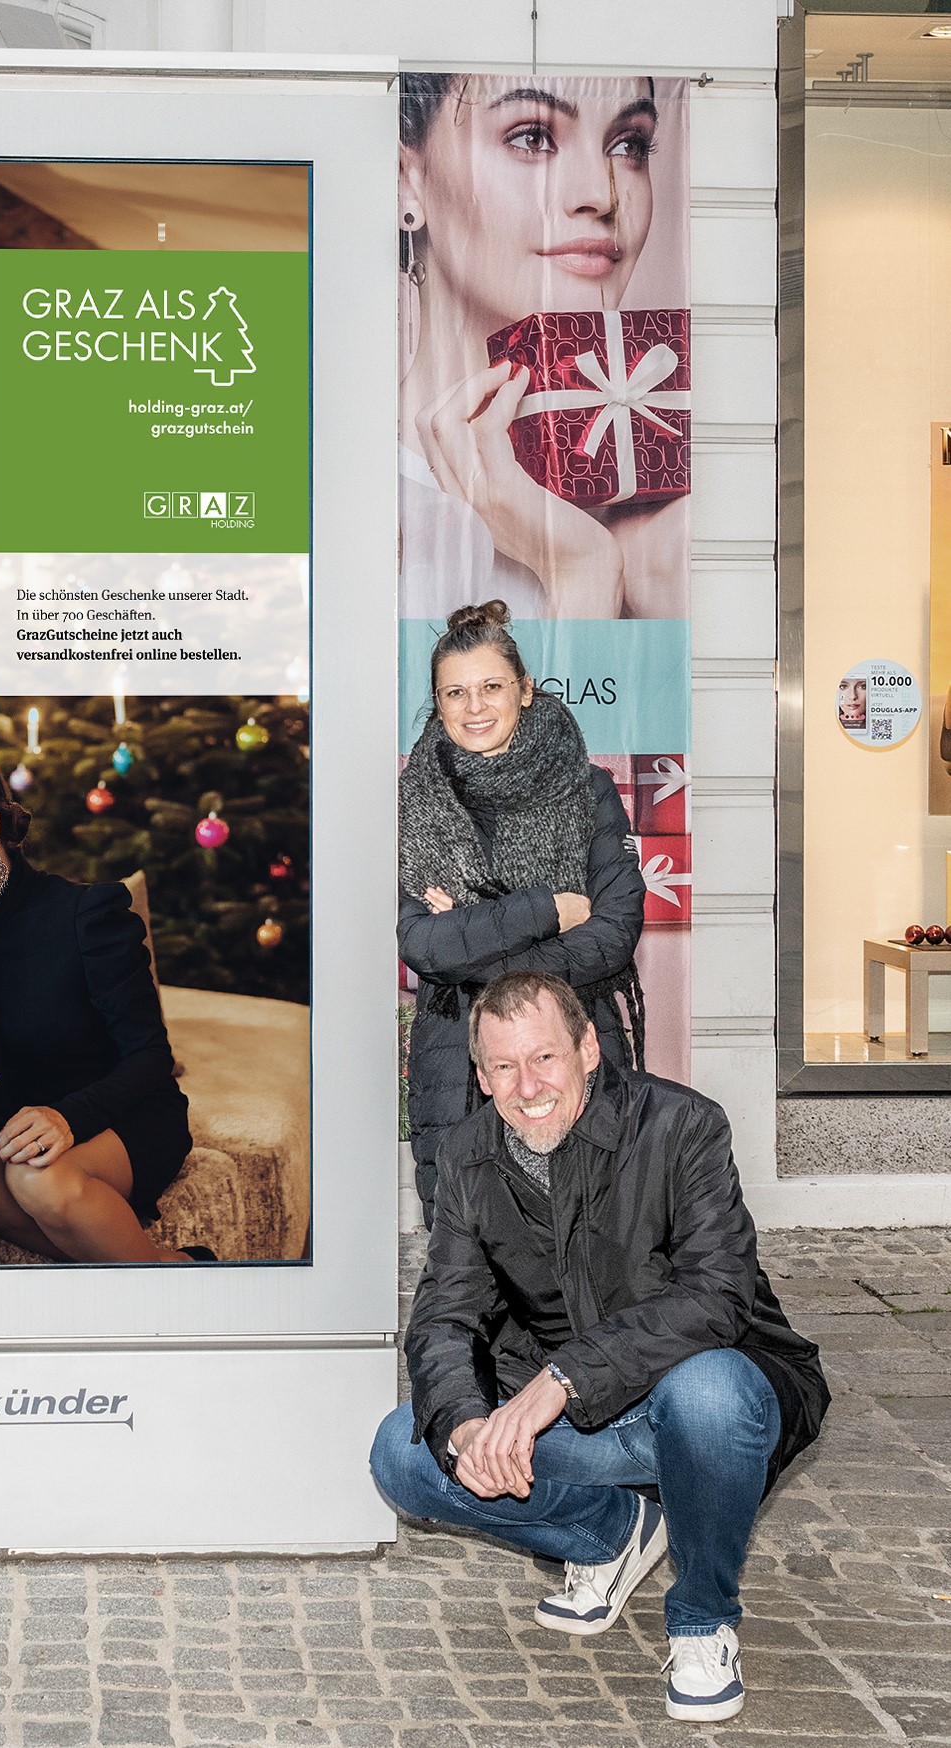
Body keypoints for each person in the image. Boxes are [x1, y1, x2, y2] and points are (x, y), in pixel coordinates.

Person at [369, 971, 829, 1724]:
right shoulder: (465, 1156)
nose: (527, 1086)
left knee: (706, 1392)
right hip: (585, 1425)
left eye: (543, 1057)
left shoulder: (681, 1125)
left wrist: (562, 1379)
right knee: (404, 1451)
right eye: (504, 1067)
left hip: (712, 1398)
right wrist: (464, 1422)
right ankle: (613, 1534)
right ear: (481, 1078)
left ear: (586, 1048)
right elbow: (444, 1316)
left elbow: (715, 1294)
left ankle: (702, 1619)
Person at [0, 742, 205, 1264]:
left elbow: (150, 1056)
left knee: (37, 1182)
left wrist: (66, 1117)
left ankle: (180, 1295)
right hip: (17, 1136)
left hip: (122, 1116)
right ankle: (178, 1265)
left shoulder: (86, 915)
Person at [399, 73, 688, 621]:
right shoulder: (345, 499)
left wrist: (654, 581)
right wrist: (585, 572)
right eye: (532, 138)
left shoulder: (671, 518)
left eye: (629, 146)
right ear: (407, 180)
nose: (599, 196)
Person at [398, 601, 645, 1223]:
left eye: (490, 687)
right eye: (455, 692)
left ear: (525, 691)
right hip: (459, 1058)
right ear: (437, 702)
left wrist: (476, 936)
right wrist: (546, 908)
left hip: (574, 1037)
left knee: (591, 1230)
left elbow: (613, 934)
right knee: (472, 1245)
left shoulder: (587, 789)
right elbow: (423, 946)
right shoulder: (415, 803)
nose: (474, 707)